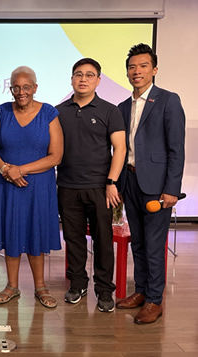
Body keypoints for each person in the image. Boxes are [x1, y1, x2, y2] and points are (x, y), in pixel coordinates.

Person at [116, 44, 185, 324]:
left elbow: (176, 149)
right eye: (132, 67)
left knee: (155, 245)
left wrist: (171, 189)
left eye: (143, 66)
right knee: (139, 244)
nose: (137, 71)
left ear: (154, 70)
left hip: (157, 186)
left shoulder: (168, 101)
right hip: (130, 181)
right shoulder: (122, 106)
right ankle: (142, 291)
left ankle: (155, 300)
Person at [0, 66, 63, 308]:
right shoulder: (2, 112)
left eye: (26, 87)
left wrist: (22, 169)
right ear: (11, 89)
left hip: (38, 186)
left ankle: (41, 287)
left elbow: (55, 156)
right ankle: (11, 286)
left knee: (35, 233)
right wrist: (7, 170)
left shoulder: (49, 113)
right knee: (11, 233)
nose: (21, 92)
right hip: (6, 184)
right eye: (16, 87)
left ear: (35, 88)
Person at [56, 58, 126, 312]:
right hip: (67, 186)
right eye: (78, 74)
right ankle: (77, 284)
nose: (83, 79)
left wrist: (112, 182)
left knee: (103, 240)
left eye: (89, 75)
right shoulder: (59, 111)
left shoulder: (110, 110)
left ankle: (105, 290)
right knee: (73, 239)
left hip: (100, 187)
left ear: (98, 79)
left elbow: (120, 148)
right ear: (72, 79)